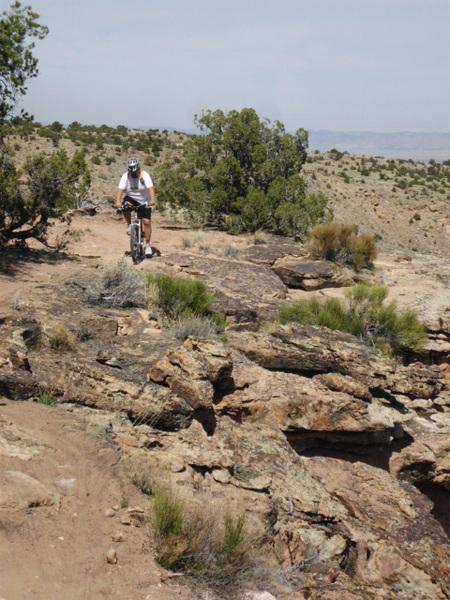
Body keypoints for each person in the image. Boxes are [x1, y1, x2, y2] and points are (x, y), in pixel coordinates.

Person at [115, 157, 155, 257]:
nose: (134, 174)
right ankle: (129, 225)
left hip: (143, 201)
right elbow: (120, 189)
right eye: (132, 172)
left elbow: (150, 188)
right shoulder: (126, 176)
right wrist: (118, 201)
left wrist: (152, 201)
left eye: (135, 172)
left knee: (146, 222)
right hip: (131, 198)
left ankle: (148, 245)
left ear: (138, 169)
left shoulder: (144, 175)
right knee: (125, 206)